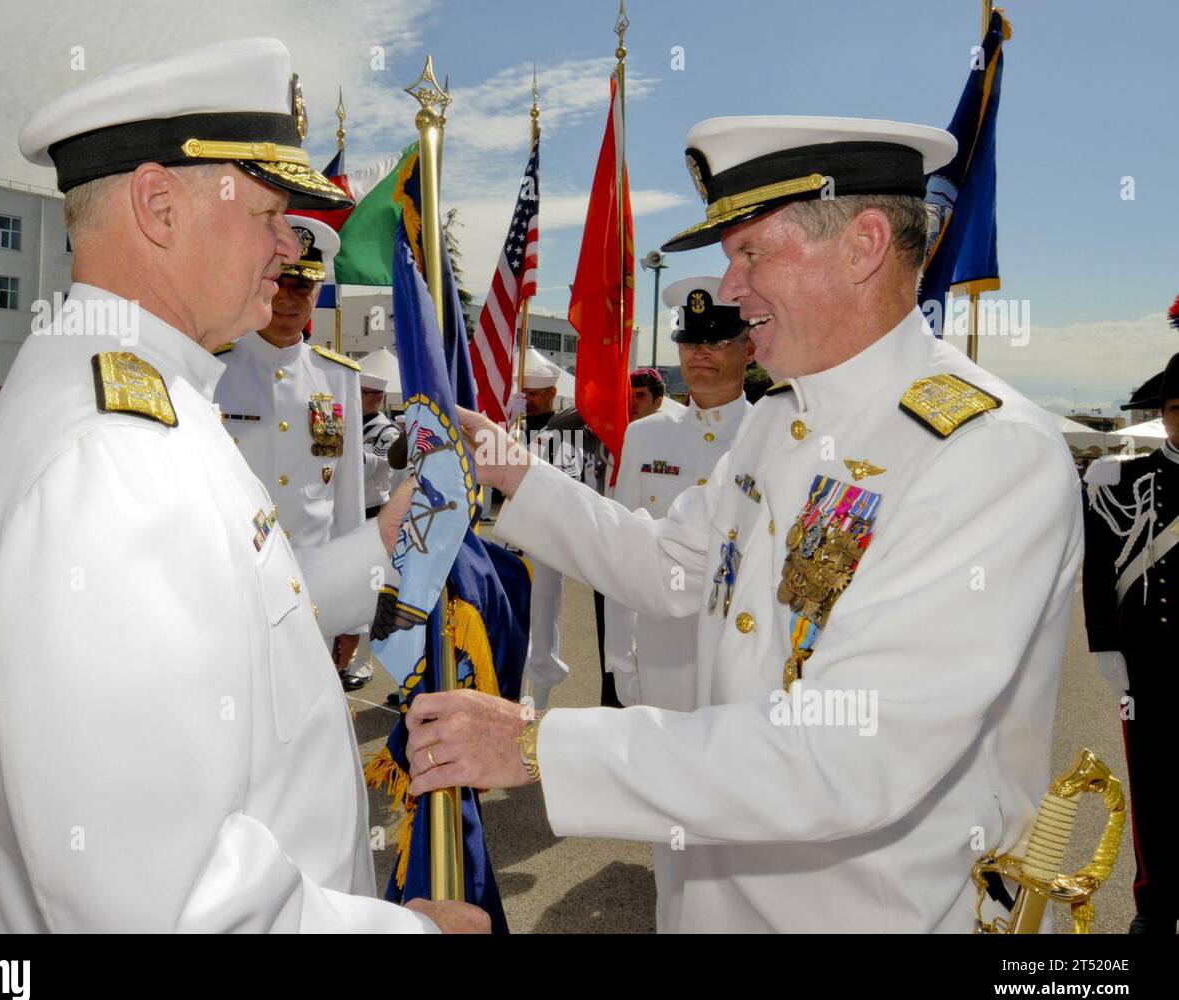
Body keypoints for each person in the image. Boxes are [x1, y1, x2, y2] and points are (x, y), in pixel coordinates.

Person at [404, 115, 1083, 933]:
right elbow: (669, 565)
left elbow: (846, 751)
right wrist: (512, 466)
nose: (729, 289)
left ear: (864, 245)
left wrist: (537, 744)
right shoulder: (779, 421)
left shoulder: (987, 453)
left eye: (751, 253)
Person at [0, 37, 485, 933]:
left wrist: (389, 537)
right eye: (269, 211)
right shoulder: (111, 460)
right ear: (158, 206)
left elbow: (246, 612)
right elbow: (161, 904)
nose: (291, 247)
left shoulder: (157, 402)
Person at [214, 214, 369, 692]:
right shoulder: (213, 369)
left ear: (317, 295)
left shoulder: (340, 378)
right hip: (229, 593)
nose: (288, 299)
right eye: (279, 283)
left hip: (313, 595)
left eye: (302, 289)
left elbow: (349, 504)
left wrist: (354, 611)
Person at [605, 276, 754, 714]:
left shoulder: (773, 433)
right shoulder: (645, 436)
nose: (701, 352)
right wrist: (620, 658)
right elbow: (621, 549)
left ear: (751, 349)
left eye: (719, 340)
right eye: (690, 342)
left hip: (741, 656)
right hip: (660, 655)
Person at [1083, 351, 1179, 935]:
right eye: (1176, 409)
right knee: (1153, 782)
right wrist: (1103, 644)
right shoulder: (1123, 480)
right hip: (1152, 665)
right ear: (1164, 415)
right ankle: (1155, 900)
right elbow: (1099, 569)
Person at [511, 355, 582, 708]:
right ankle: (514, 692)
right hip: (514, 537)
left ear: (553, 392)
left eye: (535, 394)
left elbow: (565, 484)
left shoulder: (565, 433)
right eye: (524, 393)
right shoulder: (514, 428)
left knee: (541, 624)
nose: (529, 399)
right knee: (514, 618)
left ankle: (539, 702)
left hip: (546, 542)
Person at [345, 368, 404, 690]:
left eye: (364, 393)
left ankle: (364, 661)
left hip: (372, 517)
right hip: (343, 517)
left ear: (378, 397)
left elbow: (377, 466)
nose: (356, 397)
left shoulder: (387, 432)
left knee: (370, 595)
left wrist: (342, 441)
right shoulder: (350, 424)